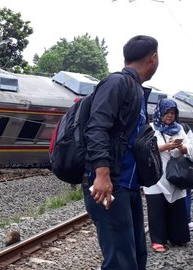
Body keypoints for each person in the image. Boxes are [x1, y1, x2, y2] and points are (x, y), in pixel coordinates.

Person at [84, 35, 159, 270]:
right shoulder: (117, 83)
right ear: (153, 58)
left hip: (128, 185)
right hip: (111, 184)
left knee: (136, 257)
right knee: (120, 262)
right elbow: (96, 127)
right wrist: (102, 174)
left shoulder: (135, 88)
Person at [144, 99, 191, 252]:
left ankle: (178, 237)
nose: (170, 116)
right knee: (157, 208)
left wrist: (183, 148)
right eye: (167, 113)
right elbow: (143, 148)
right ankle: (158, 240)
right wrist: (165, 147)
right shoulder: (150, 128)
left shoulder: (179, 129)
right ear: (160, 113)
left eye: (172, 113)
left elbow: (190, 147)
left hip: (176, 174)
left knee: (177, 207)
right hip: (156, 176)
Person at [181, 122, 193, 230]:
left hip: (169, 166)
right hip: (185, 167)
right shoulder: (185, 127)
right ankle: (187, 220)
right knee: (187, 194)